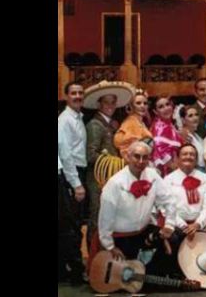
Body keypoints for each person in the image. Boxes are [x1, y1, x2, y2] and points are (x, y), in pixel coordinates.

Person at [95, 141, 176, 274]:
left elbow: (169, 200)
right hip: (121, 238)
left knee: (174, 238)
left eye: (145, 157)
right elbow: (105, 217)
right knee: (129, 278)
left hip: (143, 233)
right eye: (136, 156)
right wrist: (110, 246)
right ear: (127, 156)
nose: (140, 161)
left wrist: (170, 224)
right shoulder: (115, 183)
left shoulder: (153, 175)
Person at [163, 144, 206, 266]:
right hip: (178, 223)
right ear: (178, 158)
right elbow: (166, 208)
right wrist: (183, 226)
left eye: (192, 154)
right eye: (184, 154)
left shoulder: (204, 178)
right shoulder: (168, 179)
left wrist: (198, 224)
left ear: (196, 159)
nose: (188, 157)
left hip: (200, 222)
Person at [58, 81, 87, 285]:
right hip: (71, 173)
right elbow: (65, 154)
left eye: (80, 93)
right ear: (66, 96)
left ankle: (64, 270)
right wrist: (76, 183)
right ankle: (75, 271)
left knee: (70, 224)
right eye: (73, 93)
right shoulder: (64, 120)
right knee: (71, 225)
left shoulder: (78, 117)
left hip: (78, 170)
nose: (77, 96)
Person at [86, 91, 123, 245]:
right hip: (98, 179)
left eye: (113, 102)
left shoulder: (111, 124)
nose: (110, 106)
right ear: (99, 104)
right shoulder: (95, 124)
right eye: (106, 102)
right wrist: (114, 162)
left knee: (108, 217)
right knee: (97, 217)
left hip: (110, 178)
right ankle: (94, 258)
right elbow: (90, 154)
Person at [113, 89, 153, 159]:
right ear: (131, 106)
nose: (142, 106)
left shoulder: (140, 122)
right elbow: (126, 149)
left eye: (145, 103)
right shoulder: (130, 122)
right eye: (138, 103)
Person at [151, 95, 184, 176]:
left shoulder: (170, 125)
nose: (166, 108)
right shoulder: (159, 126)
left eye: (167, 104)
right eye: (161, 107)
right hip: (167, 170)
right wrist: (174, 167)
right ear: (155, 111)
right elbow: (160, 149)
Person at [178, 105, 206, 172]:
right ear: (183, 120)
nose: (195, 118)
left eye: (196, 115)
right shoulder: (185, 136)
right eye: (190, 116)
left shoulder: (197, 135)